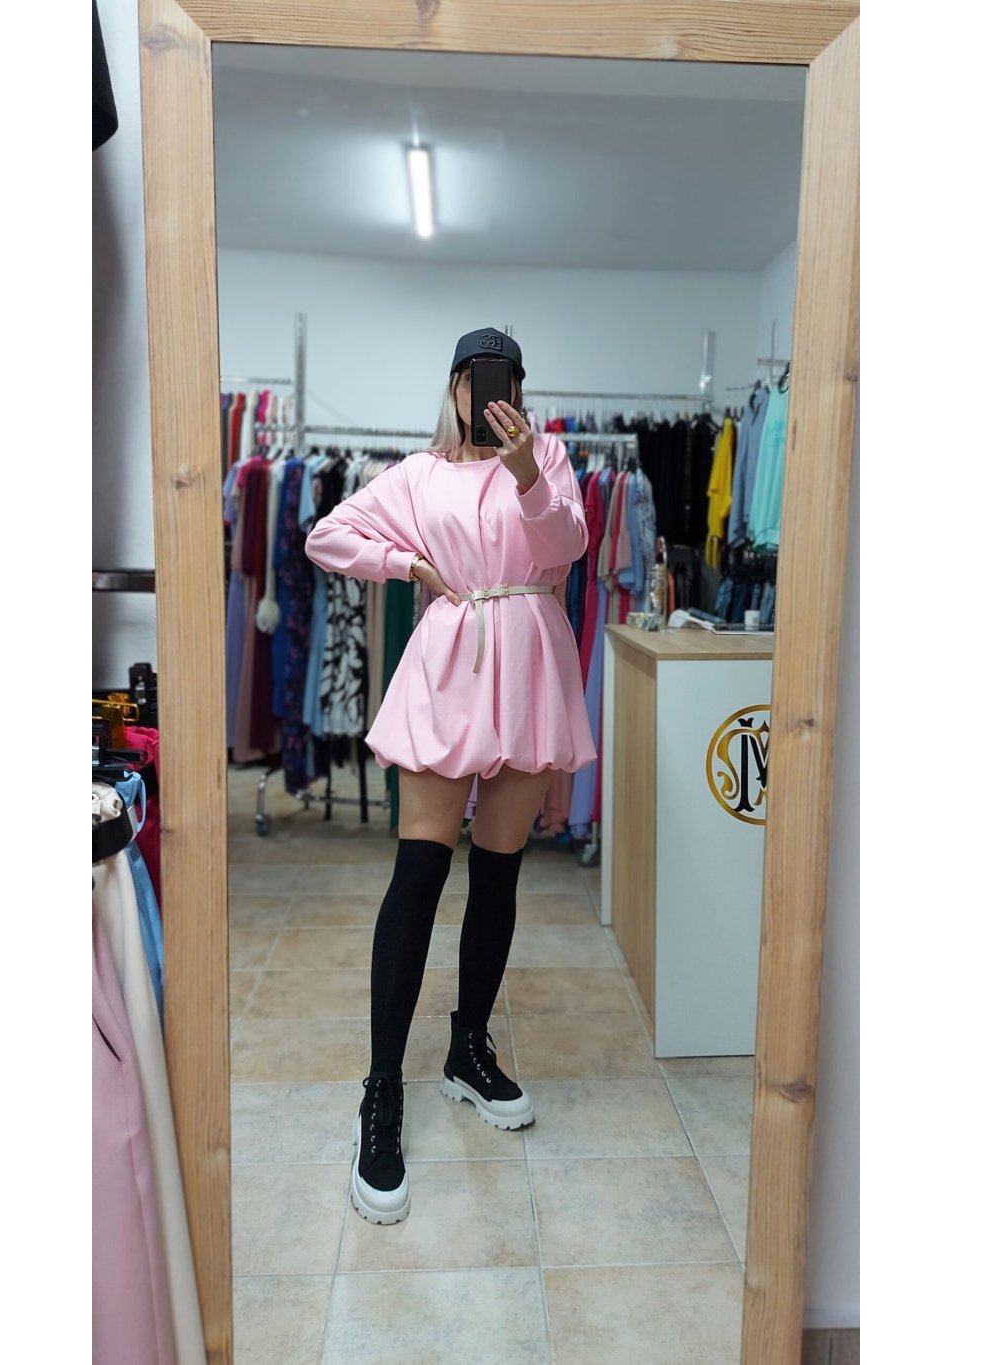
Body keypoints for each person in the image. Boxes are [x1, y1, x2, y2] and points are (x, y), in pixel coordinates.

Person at [305, 327, 596, 1224]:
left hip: (530, 659)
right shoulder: (417, 474)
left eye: (504, 378)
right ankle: (382, 1089)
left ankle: (468, 1047)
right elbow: (326, 534)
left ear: (519, 388)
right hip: (449, 656)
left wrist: (526, 471)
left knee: (499, 870)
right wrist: (404, 563)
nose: (489, 393)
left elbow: (568, 544)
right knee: (419, 871)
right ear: (456, 387)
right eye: (476, 379)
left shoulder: (547, 457)